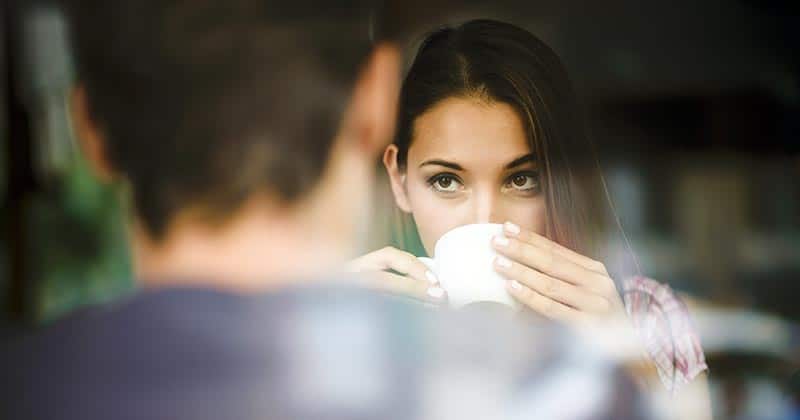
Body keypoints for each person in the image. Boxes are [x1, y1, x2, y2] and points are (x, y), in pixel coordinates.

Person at [0, 2, 654, 420]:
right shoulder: (559, 394)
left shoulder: (23, 389)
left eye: (523, 177)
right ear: (374, 101)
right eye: (446, 180)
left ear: (88, 130)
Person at [348, 19, 710, 416]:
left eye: (521, 179)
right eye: (446, 181)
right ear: (399, 182)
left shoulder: (646, 319)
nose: (483, 219)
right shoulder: (362, 329)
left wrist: (624, 362)